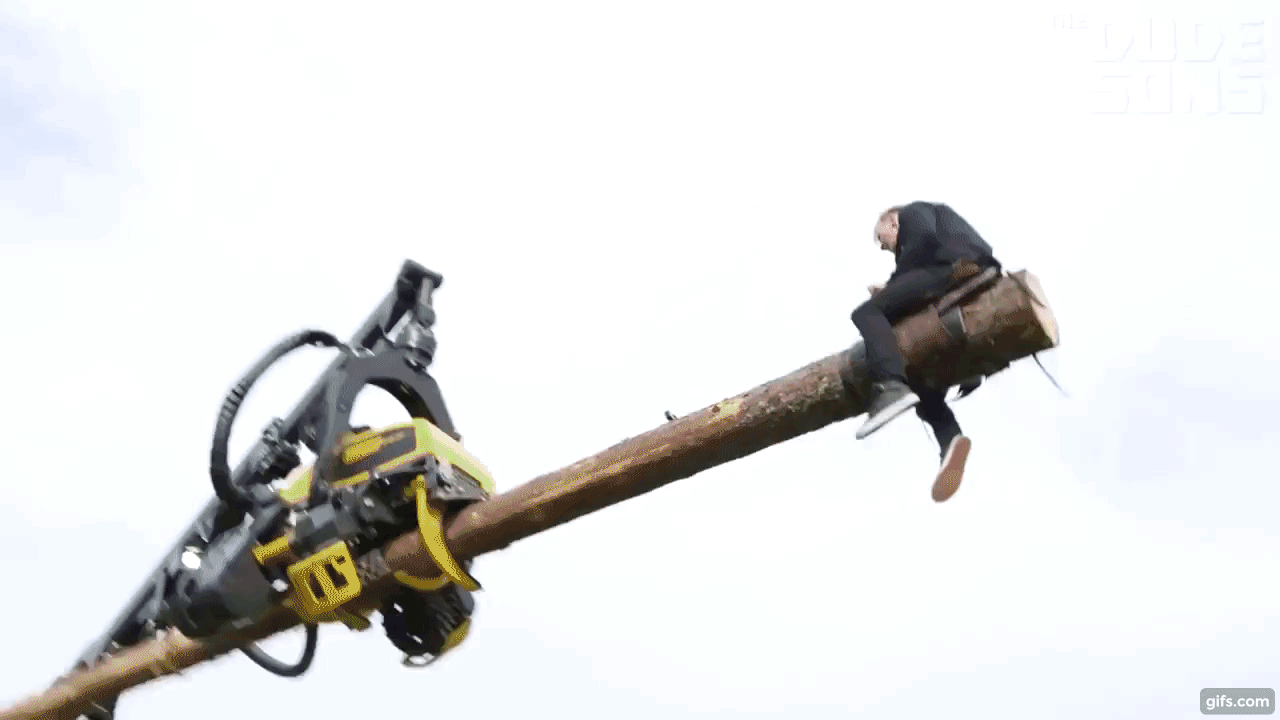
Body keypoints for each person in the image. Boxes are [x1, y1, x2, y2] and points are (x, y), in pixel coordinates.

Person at [849, 201, 1001, 502]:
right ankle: (950, 440)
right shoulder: (921, 235)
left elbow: (922, 245)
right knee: (920, 385)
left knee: (866, 314)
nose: (886, 249)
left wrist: (891, 287)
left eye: (883, 242)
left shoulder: (913, 213)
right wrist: (894, 289)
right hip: (948, 269)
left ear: (892, 222)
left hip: (951, 266)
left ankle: (890, 386)